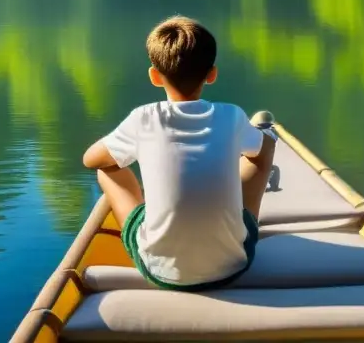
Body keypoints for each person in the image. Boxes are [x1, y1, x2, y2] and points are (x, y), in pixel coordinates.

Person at [82, 15, 277, 291]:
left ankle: (146, 217)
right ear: (212, 74)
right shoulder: (231, 116)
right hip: (235, 265)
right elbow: (264, 149)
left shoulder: (143, 118)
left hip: (160, 271)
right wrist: (261, 137)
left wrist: (123, 147)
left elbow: (90, 159)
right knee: (260, 152)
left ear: (154, 76)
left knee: (106, 168)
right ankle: (246, 225)